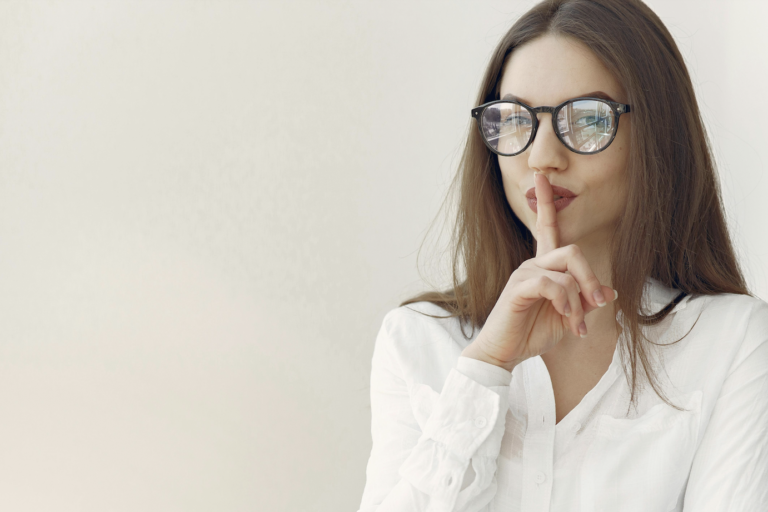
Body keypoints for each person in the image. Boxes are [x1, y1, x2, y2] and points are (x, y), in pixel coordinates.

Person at [356, 0, 768, 511]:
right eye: (514, 120)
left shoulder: (731, 341)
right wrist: (486, 368)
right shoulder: (417, 340)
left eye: (589, 120)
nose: (541, 158)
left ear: (657, 135)